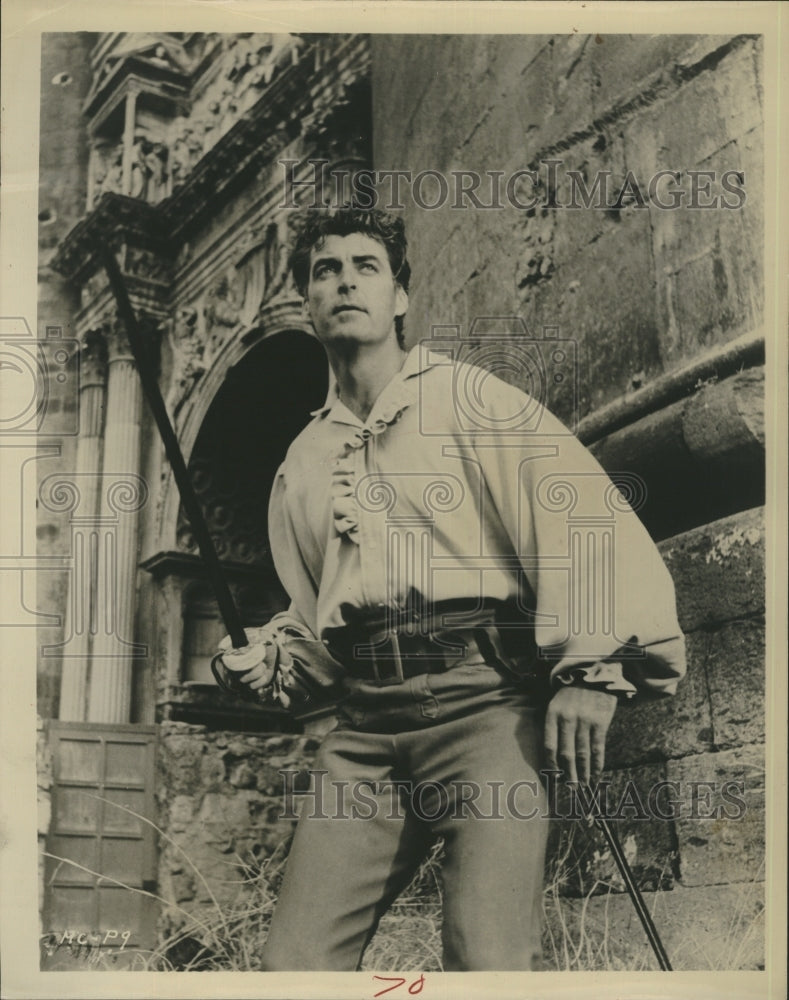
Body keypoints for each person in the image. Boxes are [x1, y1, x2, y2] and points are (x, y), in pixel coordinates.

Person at [214, 205, 686, 971]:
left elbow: (580, 515)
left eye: (365, 267)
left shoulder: (473, 401)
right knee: (291, 968)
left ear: (400, 296)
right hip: (364, 735)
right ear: (306, 302)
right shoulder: (300, 462)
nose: (344, 284)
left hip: (485, 712)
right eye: (324, 271)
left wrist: (593, 671)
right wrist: (268, 659)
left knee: (486, 959)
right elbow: (316, 618)